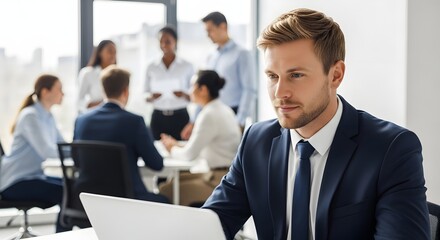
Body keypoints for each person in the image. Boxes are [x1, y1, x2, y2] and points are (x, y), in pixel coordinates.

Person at [202, 8, 430, 240]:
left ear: (335, 75)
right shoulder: (256, 141)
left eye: (296, 75)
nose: (280, 93)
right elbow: (208, 226)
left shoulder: (391, 149)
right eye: (272, 76)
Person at [74, 65, 169, 203]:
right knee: (166, 201)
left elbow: (77, 161)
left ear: (103, 90)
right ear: (126, 91)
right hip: (126, 202)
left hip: (88, 202)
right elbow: (156, 164)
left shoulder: (81, 121)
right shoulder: (134, 122)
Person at [160, 70, 241, 206]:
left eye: (192, 86)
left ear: (203, 89)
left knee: (166, 189)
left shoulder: (209, 115)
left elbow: (189, 155)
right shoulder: (223, 109)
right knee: (173, 181)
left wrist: (171, 149)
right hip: (223, 175)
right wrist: (177, 145)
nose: (190, 90)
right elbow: (201, 146)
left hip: (217, 180)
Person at [0, 74, 68, 232]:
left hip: (33, 176)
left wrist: (80, 153)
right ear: (45, 92)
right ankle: (62, 236)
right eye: (59, 89)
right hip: (15, 181)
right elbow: (48, 152)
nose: (63, 94)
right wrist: (76, 157)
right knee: (67, 192)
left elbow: (63, 146)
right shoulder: (30, 116)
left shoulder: (49, 117)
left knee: (71, 187)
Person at [180, 11, 257, 139]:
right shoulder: (211, 57)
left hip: (233, 115)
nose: (208, 35)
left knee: (230, 156)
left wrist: (240, 121)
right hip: (210, 113)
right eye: (206, 31)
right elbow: (203, 91)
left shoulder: (242, 54)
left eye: (210, 30)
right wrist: (193, 121)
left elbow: (249, 90)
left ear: (223, 27)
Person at [145, 26, 194, 140]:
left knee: (181, 149)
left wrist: (183, 94)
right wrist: (151, 97)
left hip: (180, 117)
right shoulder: (151, 67)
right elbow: (144, 93)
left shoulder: (187, 66)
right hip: (158, 117)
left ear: (175, 42)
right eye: (160, 42)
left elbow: (195, 94)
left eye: (167, 41)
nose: (163, 45)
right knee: (156, 150)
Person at [77, 40, 117, 113]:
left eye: (115, 52)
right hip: (93, 116)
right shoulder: (88, 73)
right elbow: (79, 101)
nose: (113, 55)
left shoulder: (117, 75)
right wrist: (98, 105)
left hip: (114, 116)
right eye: (110, 51)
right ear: (99, 52)